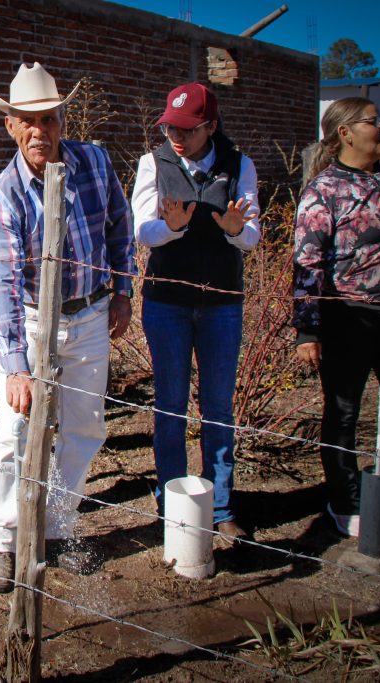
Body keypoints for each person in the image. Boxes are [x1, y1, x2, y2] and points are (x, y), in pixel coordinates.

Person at [0, 62, 135, 593]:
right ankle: (2, 542)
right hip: (30, 320)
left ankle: (55, 527)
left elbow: (120, 223)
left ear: (62, 119)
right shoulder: (4, 196)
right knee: (15, 433)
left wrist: (122, 290)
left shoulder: (93, 161)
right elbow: (3, 285)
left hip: (90, 314)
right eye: (27, 121)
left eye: (47, 119)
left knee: (85, 427)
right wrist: (16, 367)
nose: (38, 132)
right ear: (10, 125)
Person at [293, 96, 380, 537]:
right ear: (345, 133)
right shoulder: (324, 192)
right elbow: (307, 264)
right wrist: (307, 328)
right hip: (351, 318)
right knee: (345, 413)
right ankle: (346, 500)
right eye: (374, 121)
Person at [130, 82, 260, 545]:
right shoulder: (154, 163)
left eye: (187, 129)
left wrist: (233, 232)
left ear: (211, 126)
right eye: (169, 128)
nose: (176, 138)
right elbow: (141, 230)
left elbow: (253, 235)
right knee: (169, 405)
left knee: (219, 408)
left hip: (223, 302)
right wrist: (171, 228)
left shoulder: (239, 165)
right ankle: (173, 503)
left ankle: (221, 506)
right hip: (166, 302)